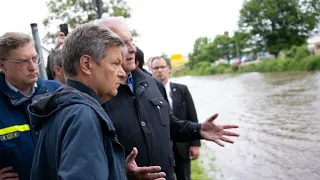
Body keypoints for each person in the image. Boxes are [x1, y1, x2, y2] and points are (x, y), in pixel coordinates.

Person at [97, 17, 240, 180]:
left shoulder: (152, 83)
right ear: (101, 49)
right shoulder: (95, 94)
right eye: (122, 43)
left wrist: (198, 129)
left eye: (131, 41)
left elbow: (169, 124)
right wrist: (122, 171)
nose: (132, 49)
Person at [28, 23, 166, 180]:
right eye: (115, 63)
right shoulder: (83, 115)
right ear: (86, 64)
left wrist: (117, 172)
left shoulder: (62, 106)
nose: (122, 73)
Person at [0, 32, 61, 180]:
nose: (33, 67)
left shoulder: (58, 92)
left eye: (35, 59)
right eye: (23, 61)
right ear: (2, 65)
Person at [151, 56, 200, 180]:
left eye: (162, 67)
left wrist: (195, 144)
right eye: (156, 68)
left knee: (184, 176)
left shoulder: (182, 89)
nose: (159, 70)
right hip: (161, 148)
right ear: (151, 70)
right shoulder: (148, 93)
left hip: (182, 146)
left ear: (169, 69)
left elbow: (192, 116)